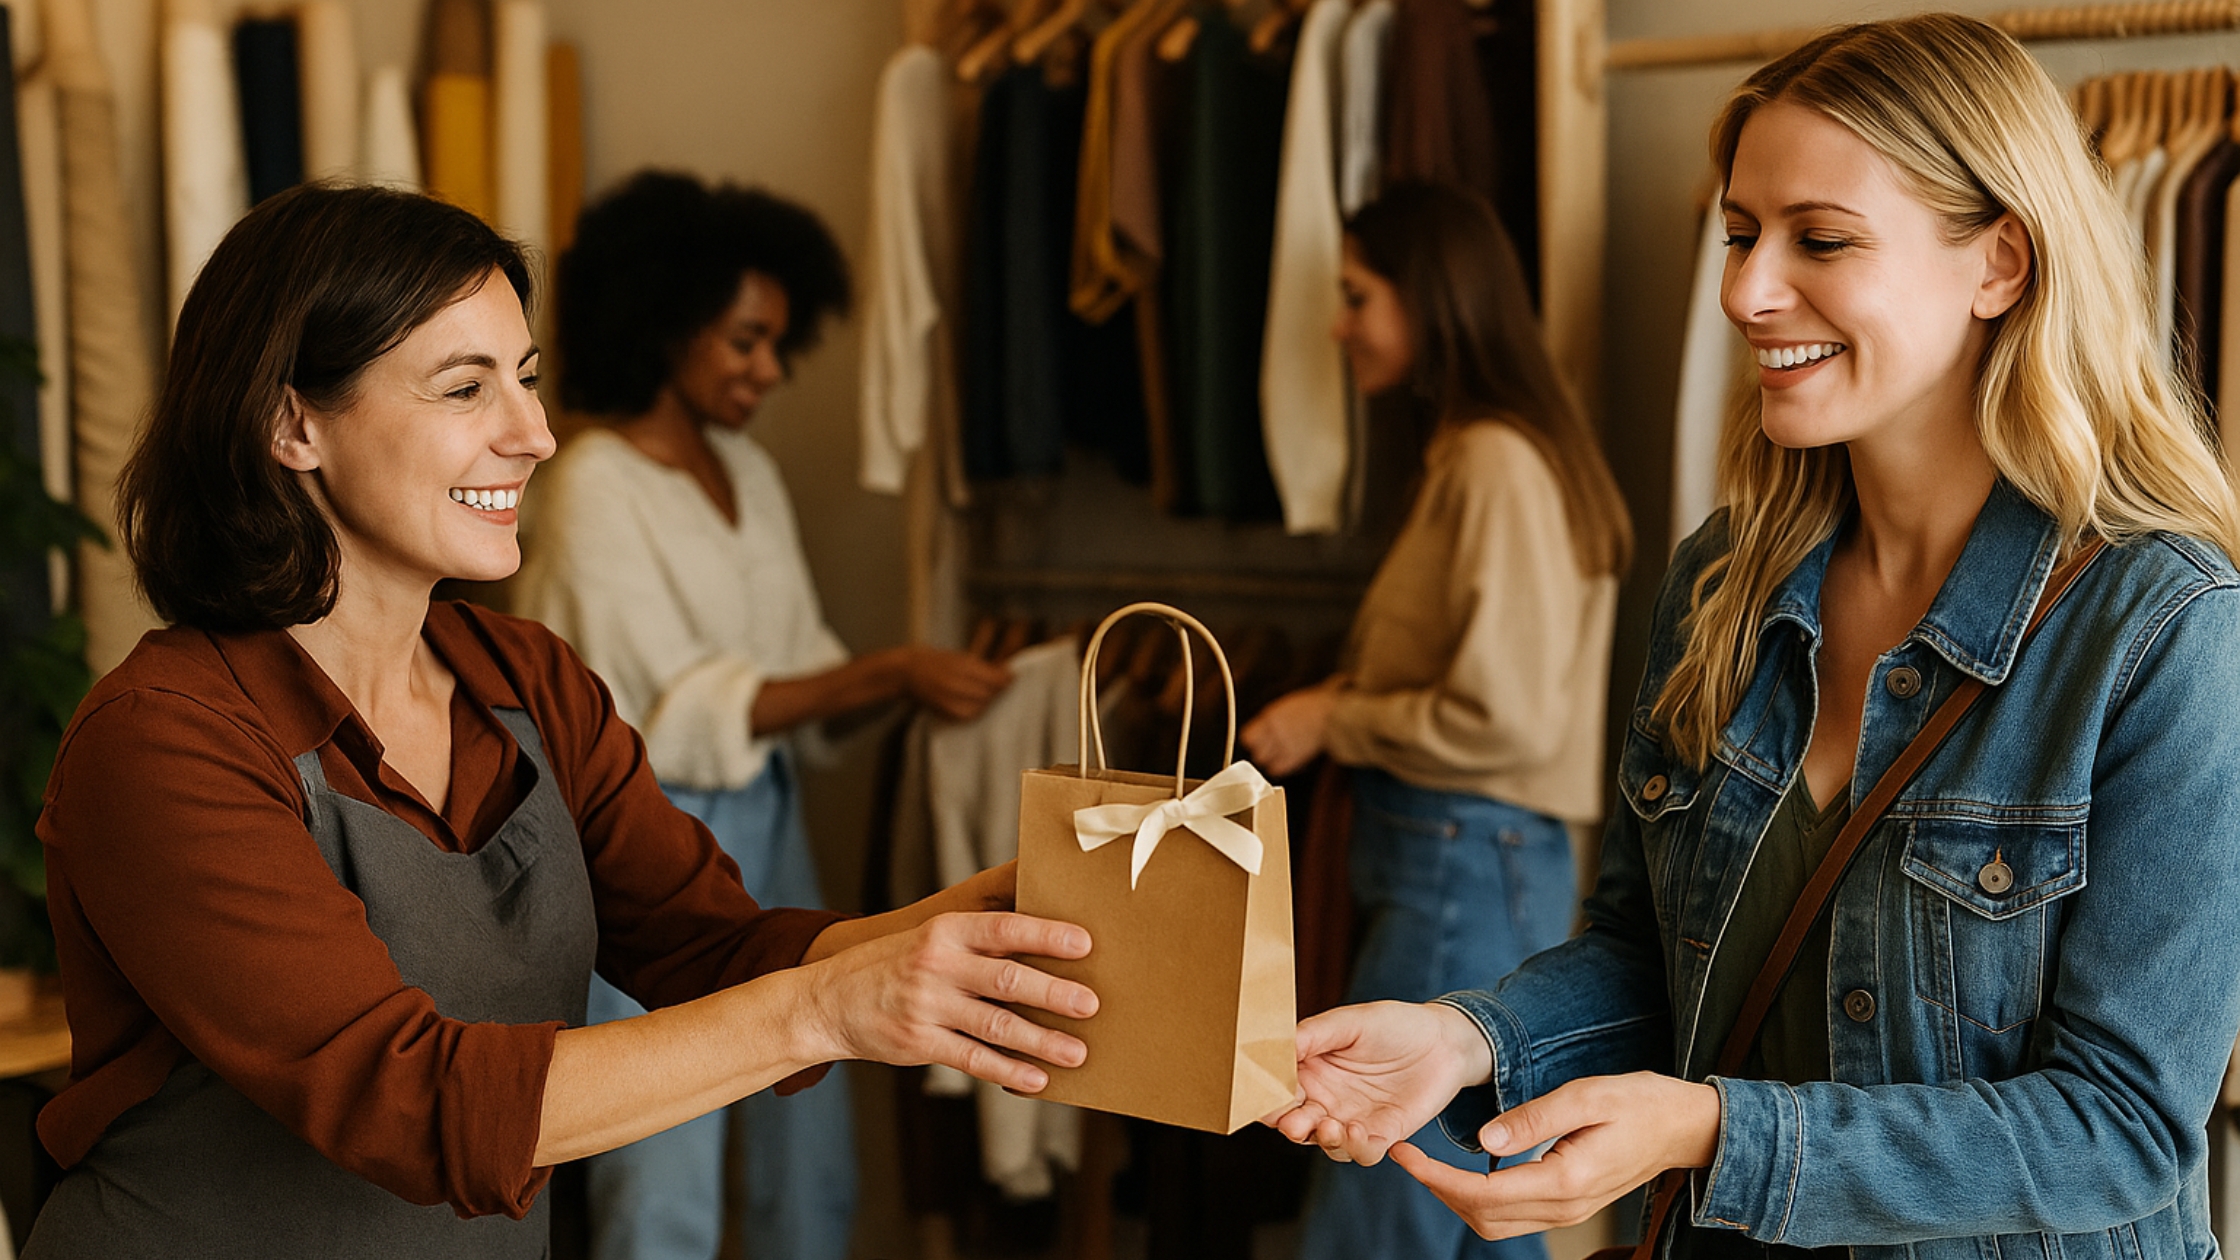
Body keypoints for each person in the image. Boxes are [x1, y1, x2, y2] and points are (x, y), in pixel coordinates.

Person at [1269, 15, 2240, 1260]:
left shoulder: (2159, 630)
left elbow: (2118, 1130)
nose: (1742, 291)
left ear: (1998, 262)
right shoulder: (1723, 581)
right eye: (1737, 236)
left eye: (1817, 241)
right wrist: (1467, 1039)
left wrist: (1714, 1133)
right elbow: (1648, 957)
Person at [24, 182, 1096, 1259]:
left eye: (527, 380)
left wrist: (985, 923)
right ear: (290, 421)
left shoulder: (528, 682)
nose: (534, 434)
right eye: (464, 389)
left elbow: (712, 943)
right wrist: (826, 1010)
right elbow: (411, 1101)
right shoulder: (163, 741)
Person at [509, 171, 1013, 1260]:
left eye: (778, 344)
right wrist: (890, 671)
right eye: (744, 340)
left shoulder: (748, 470)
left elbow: (800, 674)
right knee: (665, 1162)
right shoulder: (595, 483)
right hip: (642, 827)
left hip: (768, 818)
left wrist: (909, 682)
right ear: (668, 323)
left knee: (811, 1127)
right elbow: (670, 720)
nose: (766, 371)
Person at [1239, 180, 1634, 1260]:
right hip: (1469, 855)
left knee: (1383, 1199)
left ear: (1431, 297)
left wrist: (1336, 716)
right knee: (1479, 1210)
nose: (1338, 323)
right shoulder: (1484, 454)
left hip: (1461, 853)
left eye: (1357, 295)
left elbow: (1501, 716)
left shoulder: (1495, 462)